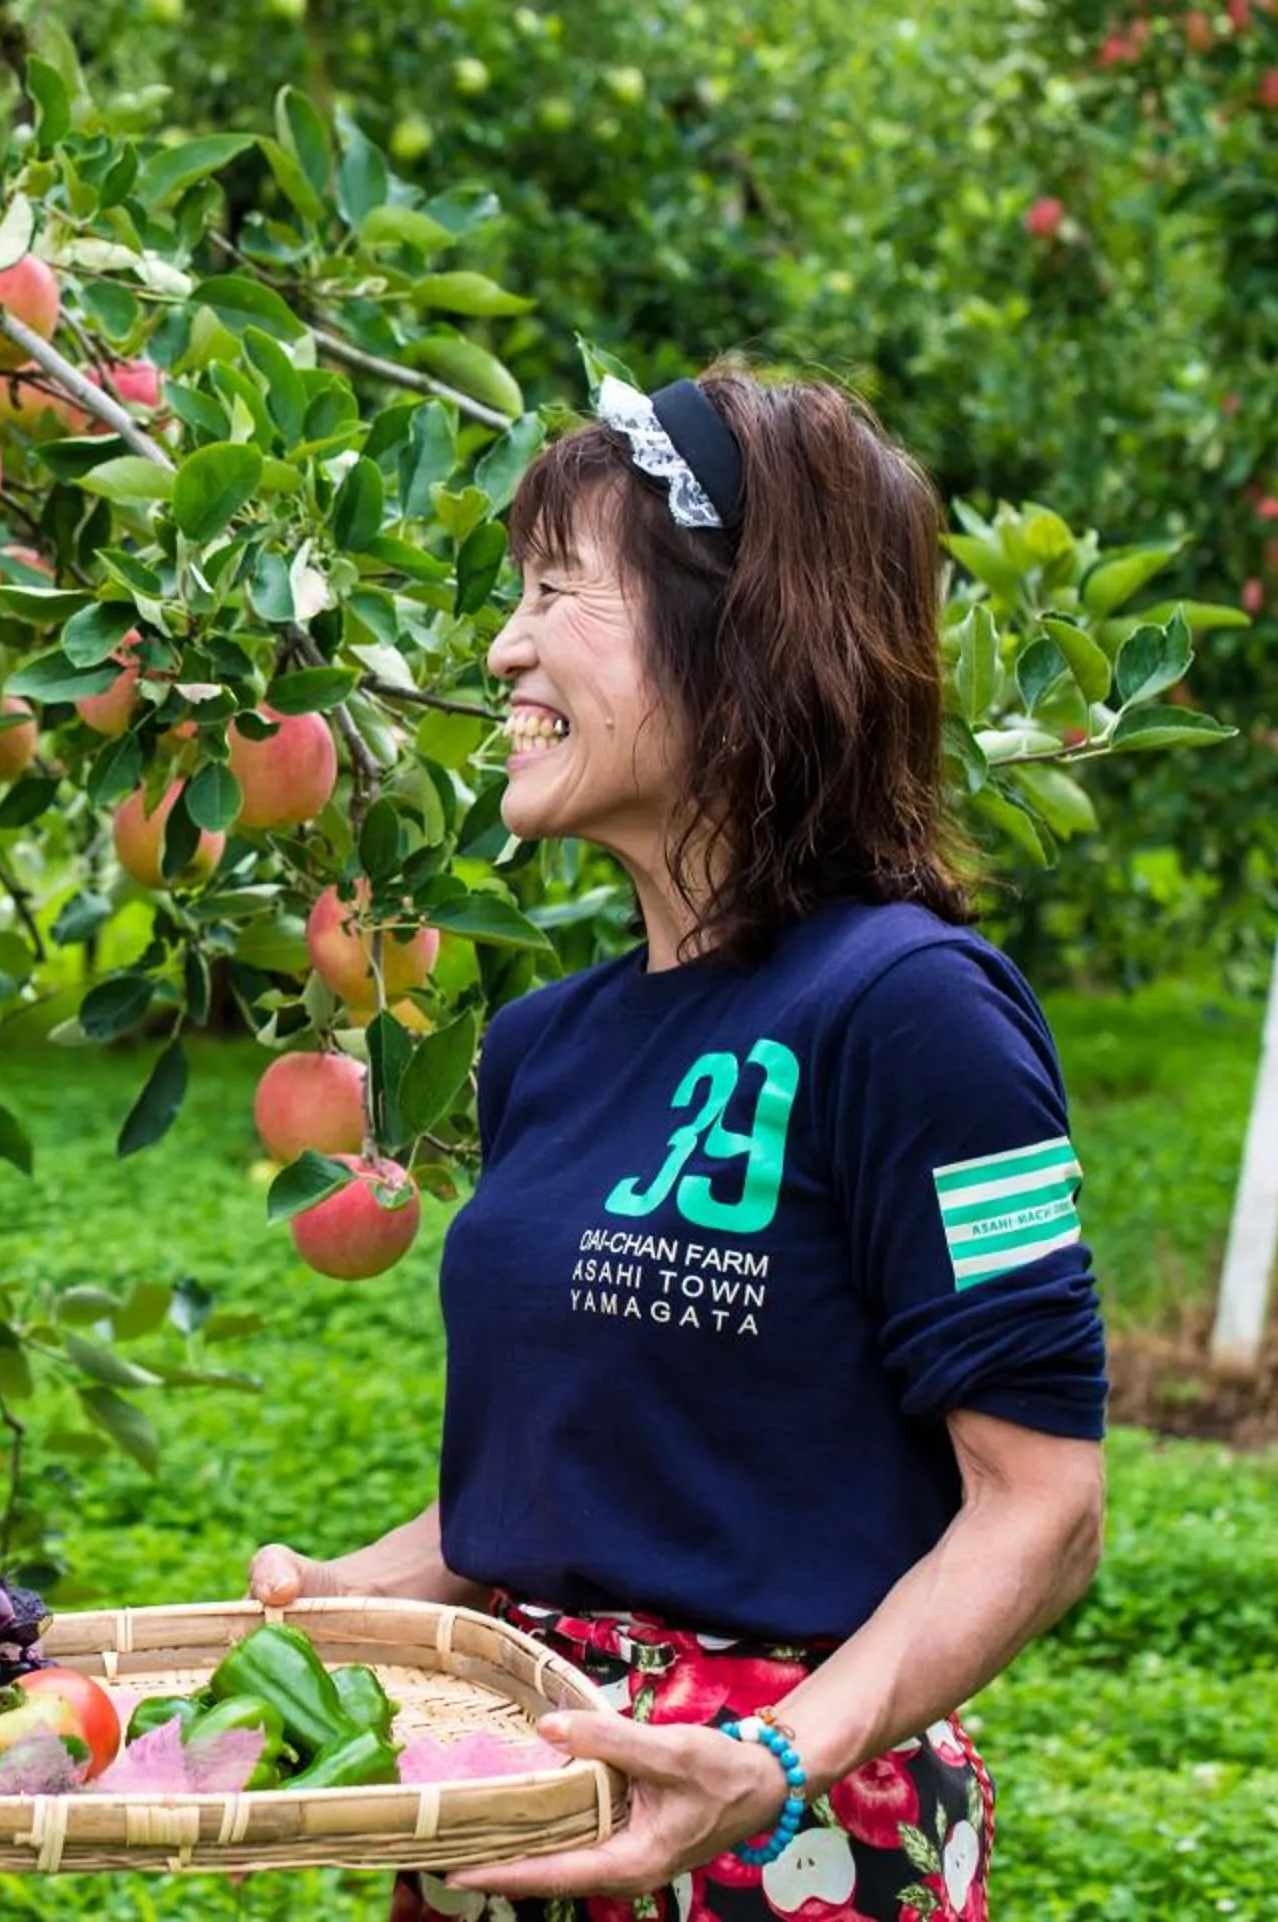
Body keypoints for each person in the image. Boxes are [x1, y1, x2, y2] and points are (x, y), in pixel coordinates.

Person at [248, 369, 1109, 1922]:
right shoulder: (541, 1046)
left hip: (777, 1838)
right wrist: (318, 1607)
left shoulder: (916, 1011)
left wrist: (779, 1754)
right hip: (520, 1807)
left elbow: (1042, 1506)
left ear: (747, 638)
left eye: (557, 592)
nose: (503, 647)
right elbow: (565, 1487)